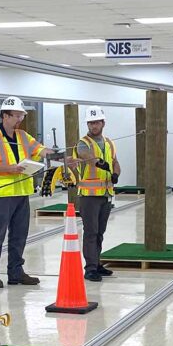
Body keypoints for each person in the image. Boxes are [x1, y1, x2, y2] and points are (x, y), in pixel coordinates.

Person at [0, 96, 45, 288]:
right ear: (5, 115)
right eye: (16, 116)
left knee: (19, 235)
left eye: (21, 116)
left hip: (22, 192)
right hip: (2, 194)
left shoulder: (23, 136)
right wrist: (10, 168)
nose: (20, 119)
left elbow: (40, 150)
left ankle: (16, 272)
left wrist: (55, 153)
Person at [73, 106, 120, 282]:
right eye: (91, 123)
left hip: (106, 194)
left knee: (100, 231)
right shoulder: (83, 142)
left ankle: (97, 263)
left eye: (96, 122)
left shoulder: (109, 143)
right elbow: (85, 156)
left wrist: (116, 173)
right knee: (91, 232)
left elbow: (116, 162)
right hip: (89, 196)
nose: (93, 126)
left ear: (103, 123)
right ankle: (90, 268)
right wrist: (98, 162)